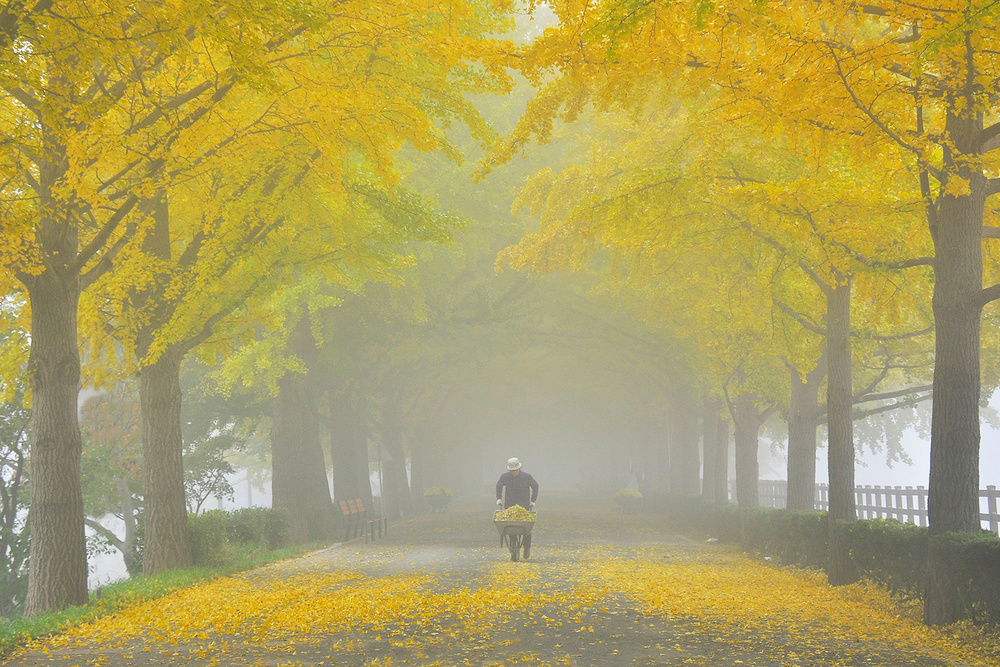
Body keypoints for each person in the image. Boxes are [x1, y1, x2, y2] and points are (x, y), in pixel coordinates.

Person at [495, 457, 538, 559]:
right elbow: (498, 486)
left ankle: (526, 546)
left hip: (523, 507)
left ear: (519, 468)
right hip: (510, 507)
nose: (514, 472)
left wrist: (533, 501)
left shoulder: (526, 477)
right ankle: (513, 549)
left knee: (526, 530)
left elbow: (535, 486)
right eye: (512, 471)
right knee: (511, 529)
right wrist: (499, 498)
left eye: (515, 470)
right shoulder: (505, 477)